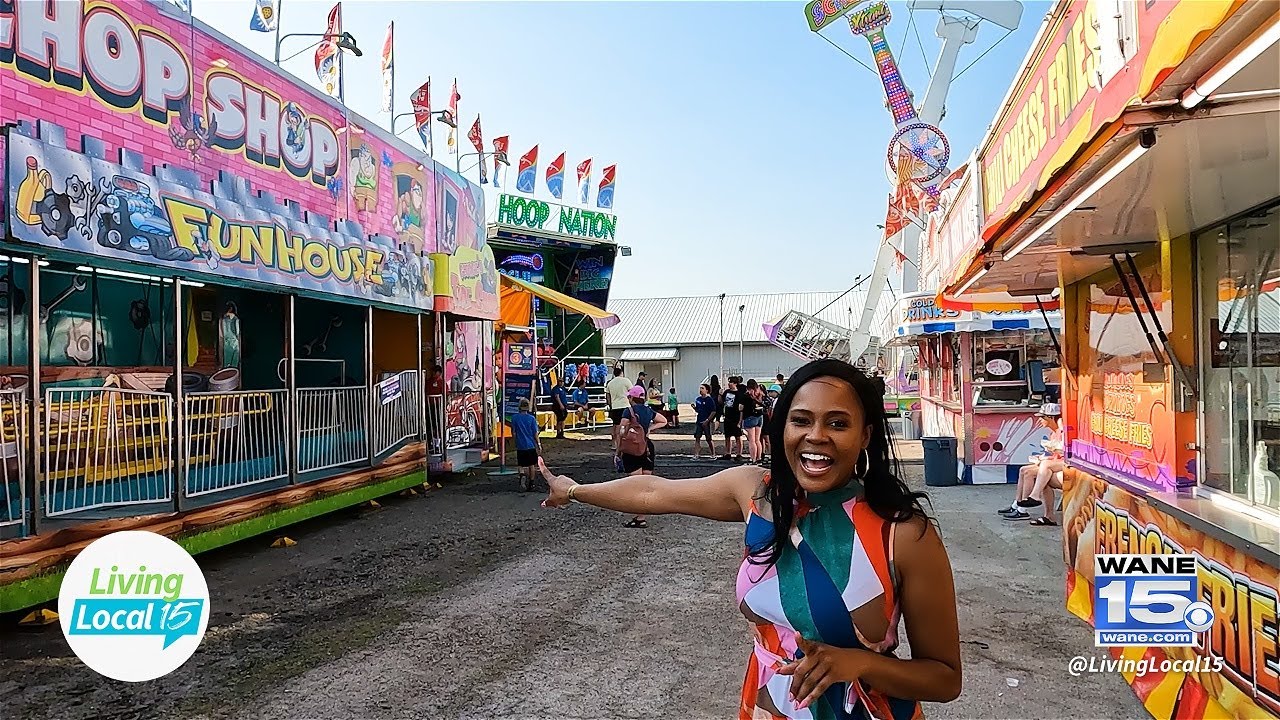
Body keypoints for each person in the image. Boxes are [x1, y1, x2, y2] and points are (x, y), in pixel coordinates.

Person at [539, 358, 961, 717]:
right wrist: (574, 490)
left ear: (865, 436)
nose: (816, 436)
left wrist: (858, 663)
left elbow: (944, 678)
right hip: (769, 704)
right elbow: (653, 491)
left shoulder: (904, 535)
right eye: (801, 420)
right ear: (782, 429)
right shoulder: (758, 494)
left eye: (838, 423)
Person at [1003, 403, 1066, 525]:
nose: (1040, 420)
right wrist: (1041, 458)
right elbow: (1054, 456)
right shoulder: (1053, 433)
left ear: (1051, 418)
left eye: (1042, 417)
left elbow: (1064, 450)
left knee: (1035, 471)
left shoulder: (1062, 431)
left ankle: (1024, 507)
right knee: (1024, 470)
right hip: (1056, 463)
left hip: (1064, 464)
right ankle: (1018, 504)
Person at [616, 385, 668, 528]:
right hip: (647, 447)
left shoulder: (628, 411)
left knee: (636, 485)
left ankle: (639, 516)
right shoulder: (648, 410)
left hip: (632, 448)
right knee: (645, 484)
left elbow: (621, 431)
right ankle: (642, 516)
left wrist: (619, 450)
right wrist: (649, 428)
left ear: (632, 398)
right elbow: (663, 420)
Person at [511, 398, 541, 492]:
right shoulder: (531, 418)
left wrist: (516, 441)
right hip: (530, 445)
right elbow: (535, 433)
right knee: (531, 465)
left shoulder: (515, 418)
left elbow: (514, 432)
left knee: (521, 464)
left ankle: (522, 475)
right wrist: (538, 444)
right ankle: (531, 483)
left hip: (521, 445)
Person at [605, 366, 633, 452]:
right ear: (622, 373)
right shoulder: (626, 380)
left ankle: (617, 445)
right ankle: (626, 444)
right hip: (625, 405)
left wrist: (610, 404)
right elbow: (631, 393)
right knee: (627, 425)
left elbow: (607, 396)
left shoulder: (610, 383)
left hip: (615, 406)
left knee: (616, 426)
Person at [741, 379, 765, 464]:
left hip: (750, 417)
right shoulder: (760, 394)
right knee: (757, 440)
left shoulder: (746, 396)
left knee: (752, 440)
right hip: (759, 416)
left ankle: (753, 459)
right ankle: (759, 458)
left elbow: (741, 408)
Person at [692, 383, 717, 459]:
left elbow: (713, 411)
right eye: (700, 388)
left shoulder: (710, 400)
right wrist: (694, 408)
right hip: (699, 421)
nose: (700, 390)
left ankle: (713, 454)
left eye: (702, 388)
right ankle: (696, 454)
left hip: (707, 422)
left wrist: (708, 420)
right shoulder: (698, 399)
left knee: (708, 439)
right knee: (697, 438)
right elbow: (698, 410)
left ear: (707, 390)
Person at [721, 377, 744, 461]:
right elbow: (721, 402)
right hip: (727, 416)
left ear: (735, 384)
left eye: (731, 382)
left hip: (736, 417)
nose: (729, 384)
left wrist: (740, 421)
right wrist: (720, 394)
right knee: (727, 436)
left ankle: (739, 454)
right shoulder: (727, 392)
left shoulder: (740, 394)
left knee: (738, 436)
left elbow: (741, 409)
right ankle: (728, 453)